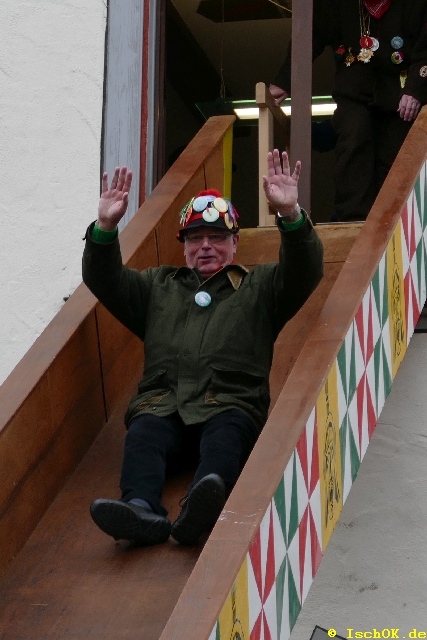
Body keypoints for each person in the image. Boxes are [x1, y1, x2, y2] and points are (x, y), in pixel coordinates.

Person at [82, 150, 324, 546]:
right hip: (164, 407)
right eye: (196, 238)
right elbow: (105, 279)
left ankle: (203, 505)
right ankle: (140, 509)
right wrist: (106, 227)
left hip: (229, 406)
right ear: (184, 246)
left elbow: (305, 269)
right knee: (143, 435)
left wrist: (290, 214)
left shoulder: (260, 287)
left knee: (225, 440)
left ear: (235, 242)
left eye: (217, 237)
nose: (206, 246)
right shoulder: (157, 287)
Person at [270, 0, 427, 221]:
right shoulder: (335, 5)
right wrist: (285, 79)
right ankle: (353, 221)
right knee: (353, 141)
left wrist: (416, 89)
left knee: (395, 158)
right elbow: (310, 34)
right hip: (352, 94)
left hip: (398, 101)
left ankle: (395, 221)